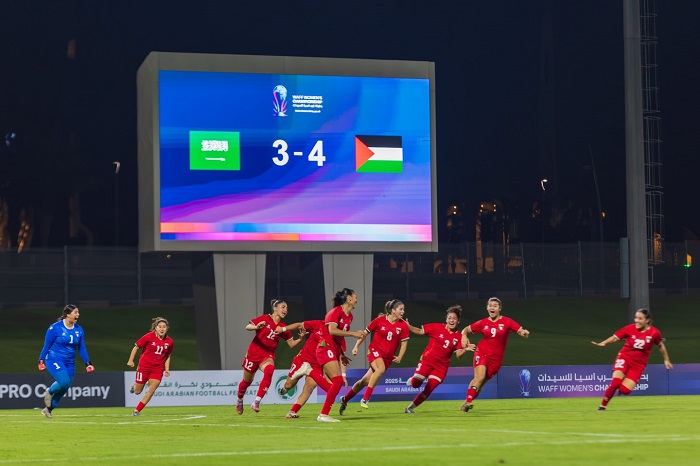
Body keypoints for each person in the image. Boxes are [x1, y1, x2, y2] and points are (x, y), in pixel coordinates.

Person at [592, 308, 673, 411]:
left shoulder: (654, 332)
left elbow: (660, 345)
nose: (637, 321)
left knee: (625, 390)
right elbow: (615, 337)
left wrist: (666, 360)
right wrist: (604, 343)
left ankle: (621, 387)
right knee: (615, 383)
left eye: (640, 318)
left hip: (638, 365)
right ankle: (602, 406)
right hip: (624, 357)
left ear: (647, 320)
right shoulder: (629, 328)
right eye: (636, 318)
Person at [235, 299, 305, 415]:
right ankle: (239, 399)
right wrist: (256, 327)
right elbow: (248, 327)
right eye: (283, 307)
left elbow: (292, 345)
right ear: (275, 308)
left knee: (269, 370)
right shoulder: (265, 318)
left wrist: (300, 339)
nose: (285, 310)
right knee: (246, 382)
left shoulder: (283, 327)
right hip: (253, 353)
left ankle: (256, 401)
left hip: (267, 355)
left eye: (287, 308)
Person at [459, 297, 529, 413]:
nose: (492, 307)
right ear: (487, 308)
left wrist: (524, 333)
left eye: (495, 306)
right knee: (479, 377)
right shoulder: (483, 322)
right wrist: (464, 336)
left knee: (480, 385)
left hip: (496, 359)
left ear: (499, 308)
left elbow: (520, 330)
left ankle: (466, 403)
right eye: (490, 305)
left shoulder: (507, 321)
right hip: (482, 352)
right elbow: (466, 329)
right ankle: (468, 402)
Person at [339, 299, 409, 414]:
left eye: (403, 309)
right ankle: (365, 398)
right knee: (380, 369)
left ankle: (345, 399)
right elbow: (364, 333)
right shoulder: (379, 320)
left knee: (364, 381)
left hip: (387, 357)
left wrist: (400, 356)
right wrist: (356, 346)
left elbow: (404, 344)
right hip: (374, 350)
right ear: (393, 310)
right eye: (400, 309)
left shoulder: (403, 325)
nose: (403, 311)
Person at [403, 305, 474, 413]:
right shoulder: (437, 327)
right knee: (416, 384)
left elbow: (458, 355)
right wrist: (408, 326)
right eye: (449, 318)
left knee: (429, 389)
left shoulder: (459, 336)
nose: (451, 320)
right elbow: (420, 331)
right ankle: (412, 380)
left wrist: (465, 349)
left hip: (441, 367)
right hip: (428, 360)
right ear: (446, 319)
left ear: (458, 321)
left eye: (454, 318)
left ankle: (410, 408)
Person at [316, 288, 364, 423]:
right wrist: (353, 334)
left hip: (334, 349)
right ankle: (323, 415)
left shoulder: (350, 316)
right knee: (337, 381)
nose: (356, 300)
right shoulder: (335, 312)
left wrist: (342, 354)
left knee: (336, 383)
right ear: (349, 298)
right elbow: (332, 331)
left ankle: (324, 414)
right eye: (355, 297)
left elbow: (339, 338)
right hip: (325, 347)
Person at [37, 304, 94, 418]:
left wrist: (88, 363)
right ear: (68, 314)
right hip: (54, 359)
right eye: (75, 312)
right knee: (63, 382)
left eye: (78, 312)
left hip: (70, 362)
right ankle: (50, 391)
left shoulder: (79, 329)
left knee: (65, 386)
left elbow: (82, 348)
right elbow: (46, 345)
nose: (78, 315)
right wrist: (41, 360)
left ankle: (48, 409)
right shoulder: (55, 328)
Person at [274, 319, 335, 419]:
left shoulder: (336, 335)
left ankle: (292, 412)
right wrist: (283, 329)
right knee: (289, 385)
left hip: (317, 365)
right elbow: (299, 325)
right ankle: (285, 388)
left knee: (309, 388)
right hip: (302, 359)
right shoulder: (318, 324)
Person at [126, 317, 174, 416]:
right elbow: (136, 347)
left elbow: (168, 356)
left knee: (151, 390)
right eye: (160, 327)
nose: (162, 329)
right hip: (144, 367)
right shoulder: (149, 336)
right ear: (156, 328)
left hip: (157, 369)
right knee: (137, 391)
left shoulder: (169, 342)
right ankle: (135, 386)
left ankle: (137, 410)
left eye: (164, 327)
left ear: (167, 328)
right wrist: (130, 360)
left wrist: (167, 369)